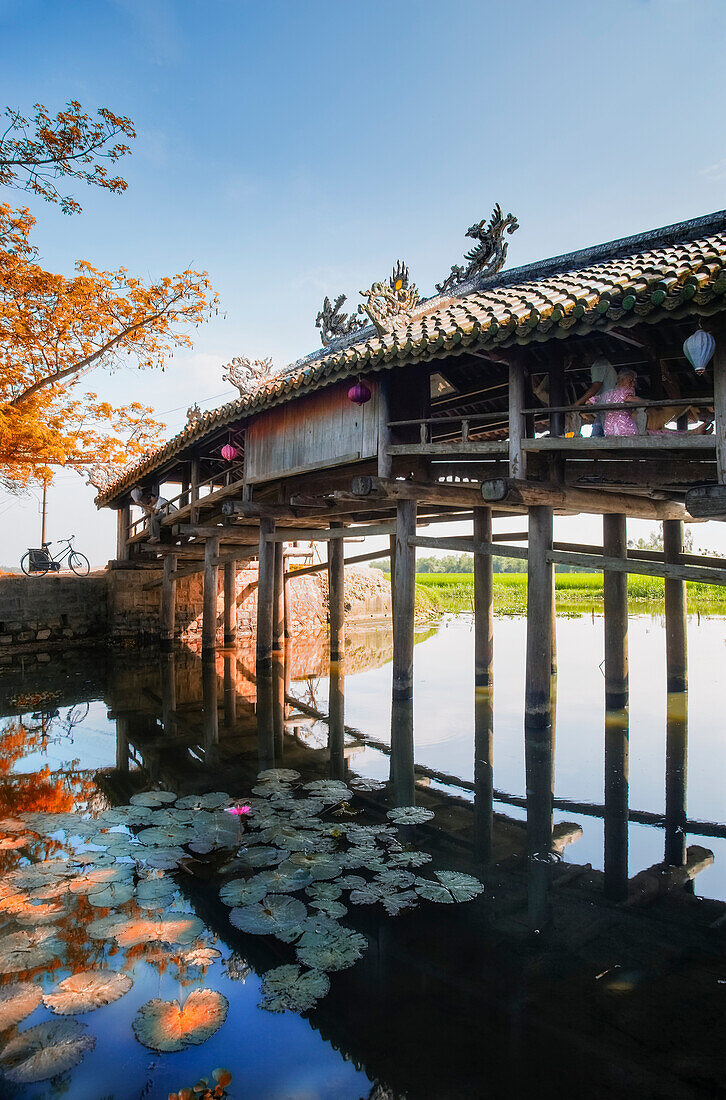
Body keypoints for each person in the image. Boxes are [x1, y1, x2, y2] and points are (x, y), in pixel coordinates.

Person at [574, 355, 618, 436]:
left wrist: (577, 404)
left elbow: (596, 386)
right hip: (609, 404)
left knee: (598, 434)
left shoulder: (599, 364)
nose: (584, 362)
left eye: (584, 359)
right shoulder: (605, 363)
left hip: (606, 404)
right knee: (598, 432)